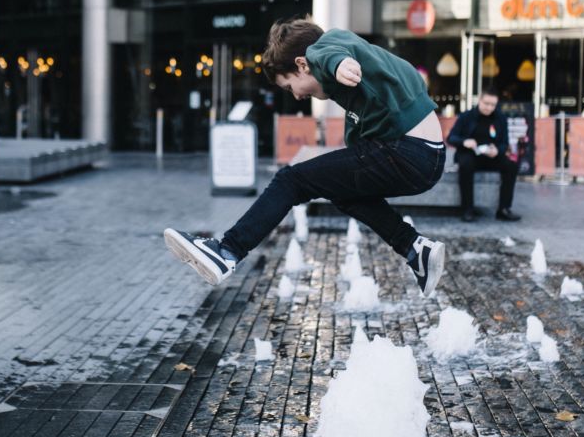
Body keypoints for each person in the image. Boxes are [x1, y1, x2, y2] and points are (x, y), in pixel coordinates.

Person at [164, 17, 447, 298]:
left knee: (291, 179)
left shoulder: (330, 44)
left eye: (289, 87)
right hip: (424, 158)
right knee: (340, 189)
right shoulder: (358, 94)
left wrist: (339, 65)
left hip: (408, 151)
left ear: (301, 65)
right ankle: (414, 249)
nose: (297, 97)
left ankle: (226, 251)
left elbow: (329, 53)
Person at [447, 87, 520, 223]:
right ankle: (468, 209)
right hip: (469, 154)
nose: (489, 107)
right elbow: (451, 138)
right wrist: (465, 141)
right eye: (486, 103)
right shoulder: (466, 116)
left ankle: (504, 209)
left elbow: (505, 143)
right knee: (466, 165)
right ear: (479, 100)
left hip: (490, 155)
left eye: (493, 105)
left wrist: (497, 150)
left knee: (511, 166)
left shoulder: (500, 118)